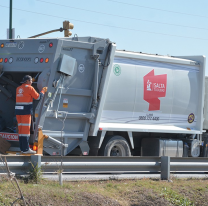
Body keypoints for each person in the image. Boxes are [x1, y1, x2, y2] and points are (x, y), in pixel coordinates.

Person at [15, 75, 47, 154]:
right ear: (27, 81)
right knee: (25, 131)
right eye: (31, 81)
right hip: (26, 112)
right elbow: (38, 97)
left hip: (18, 113)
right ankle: (26, 149)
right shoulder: (30, 88)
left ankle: (22, 148)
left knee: (21, 131)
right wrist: (43, 91)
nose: (32, 82)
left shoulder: (18, 89)